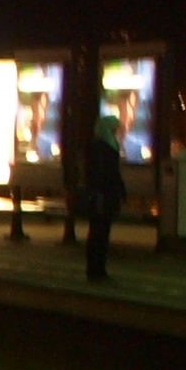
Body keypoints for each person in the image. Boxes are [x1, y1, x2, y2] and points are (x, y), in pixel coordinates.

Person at [76, 118, 127, 282]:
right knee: (99, 232)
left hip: (104, 194)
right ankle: (95, 269)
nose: (116, 131)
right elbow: (107, 173)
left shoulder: (100, 146)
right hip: (102, 195)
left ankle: (97, 269)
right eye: (114, 128)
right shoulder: (102, 148)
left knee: (100, 231)